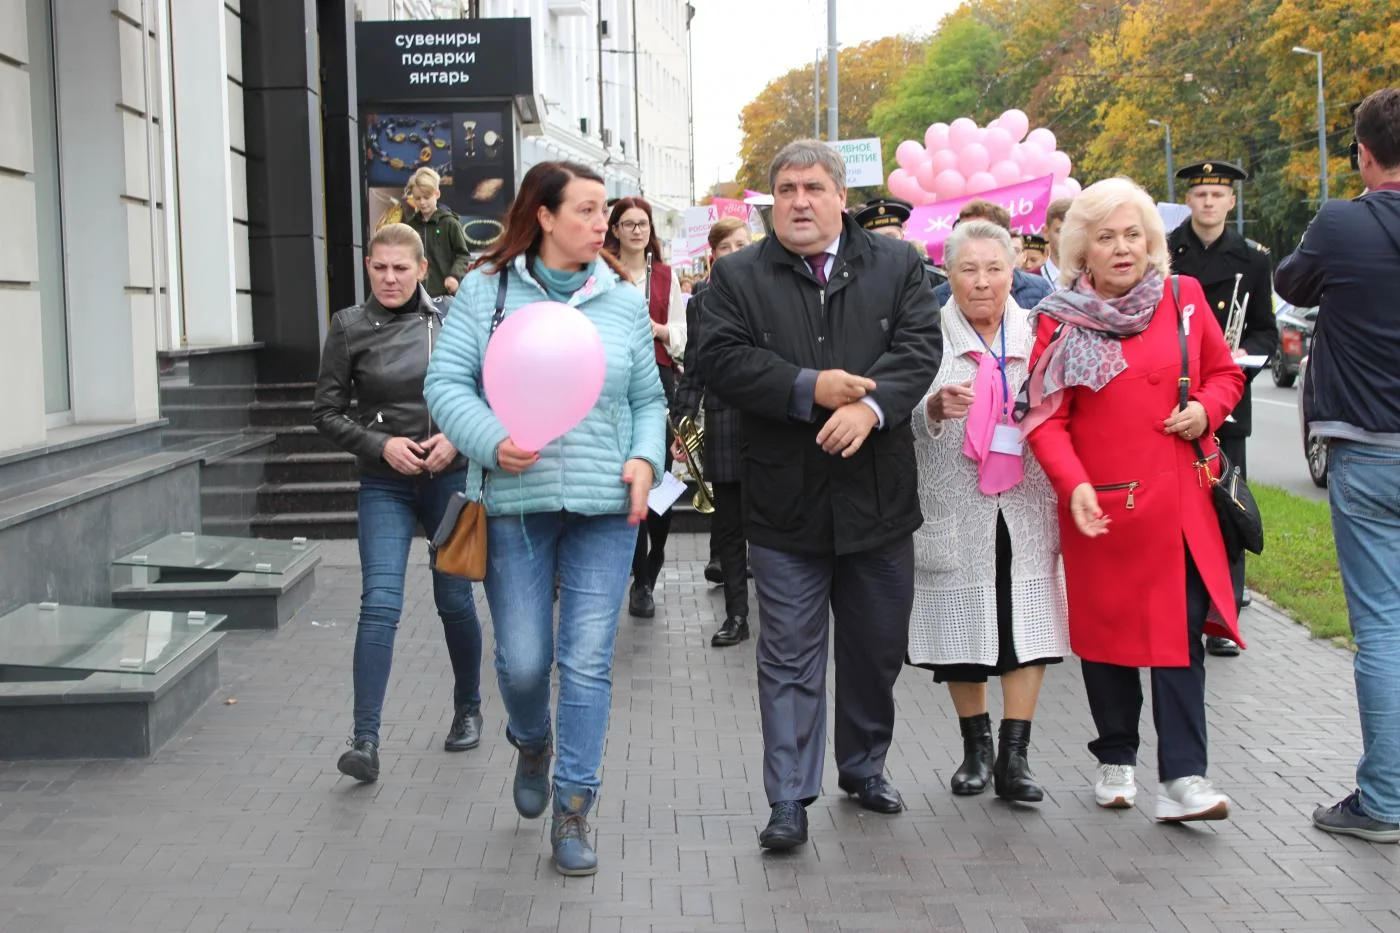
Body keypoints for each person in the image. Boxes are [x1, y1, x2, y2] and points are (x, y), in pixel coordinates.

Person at [423, 161, 667, 876]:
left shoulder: (622, 299)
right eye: (587, 210)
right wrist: (490, 439)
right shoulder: (487, 289)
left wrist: (645, 459)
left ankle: (574, 807)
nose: (602, 223)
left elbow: (648, 399)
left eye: (605, 211)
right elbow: (446, 382)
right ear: (545, 216)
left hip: (604, 509)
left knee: (586, 662)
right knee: (523, 660)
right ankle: (532, 741)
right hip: (515, 504)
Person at [701, 140, 942, 850]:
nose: (799, 201)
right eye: (786, 189)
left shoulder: (897, 264)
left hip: (878, 500)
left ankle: (863, 764)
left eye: (812, 187)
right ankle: (788, 797)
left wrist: (869, 408)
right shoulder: (737, 274)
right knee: (787, 657)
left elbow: (919, 349)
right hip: (784, 504)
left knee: (875, 649)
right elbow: (719, 359)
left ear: (842, 196)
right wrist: (810, 388)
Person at [1018, 177, 1245, 823]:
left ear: (1151, 242)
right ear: (1080, 250)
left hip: (1181, 505)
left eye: (1133, 235)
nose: (1122, 248)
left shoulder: (1183, 297)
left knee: (1181, 637)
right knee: (1107, 636)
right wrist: (1073, 485)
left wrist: (1206, 409)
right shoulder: (1060, 318)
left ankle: (1184, 777)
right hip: (1103, 506)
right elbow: (1044, 418)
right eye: (1106, 237)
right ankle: (1116, 755)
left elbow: (1225, 372)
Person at [312, 222, 484, 784]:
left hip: (447, 476)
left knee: (453, 597)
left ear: (422, 270)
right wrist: (380, 444)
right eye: (380, 267)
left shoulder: (452, 318)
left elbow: (485, 390)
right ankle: (364, 739)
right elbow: (326, 413)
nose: (389, 278)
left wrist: (456, 436)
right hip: (384, 481)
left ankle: (468, 706)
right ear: (368, 266)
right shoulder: (348, 327)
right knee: (380, 601)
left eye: (400, 268)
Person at [1275, 87, 1400, 844]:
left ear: (1363, 154)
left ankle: (1384, 799)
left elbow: (1291, 283)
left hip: (1368, 447)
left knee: (1382, 626)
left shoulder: (1342, 222)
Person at [908, 220, 1069, 803]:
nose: (982, 282)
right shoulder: (924, 335)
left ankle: (1015, 757)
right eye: (968, 269)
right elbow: (894, 415)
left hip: (1026, 505)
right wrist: (930, 408)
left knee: (1027, 627)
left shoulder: (1041, 333)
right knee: (963, 630)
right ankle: (975, 750)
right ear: (948, 274)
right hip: (954, 505)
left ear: (1014, 270)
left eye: (994, 268)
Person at [1168, 160, 1277, 654]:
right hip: (1173, 400)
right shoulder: (1166, 250)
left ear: (1232, 202)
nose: (1208, 202)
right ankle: (1176, 609)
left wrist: (1238, 362)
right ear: (1188, 200)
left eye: (1217, 194)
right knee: (1173, 508)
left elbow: (1265, 331)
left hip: (1226, 404)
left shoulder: (1252, 258)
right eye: (1200, 194)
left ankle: (1224, 615)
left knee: (1226, 506)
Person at [603, 196, 687, 620]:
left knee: (662, 480)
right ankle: (640, 580)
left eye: (643, 224)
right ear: (615, 229)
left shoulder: (665, 276)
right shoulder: (602, 271)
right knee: (630, 475)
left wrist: (658, 329)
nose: (637, 231)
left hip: (659, 378)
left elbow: (683, 332)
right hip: (617, 382)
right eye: (629, 224)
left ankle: (654, 560)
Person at [673, 216, 753, 647]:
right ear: (713, 255)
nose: (737, 253)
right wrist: (682, 423)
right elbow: (695, 366)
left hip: (769, 419)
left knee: (774, 521)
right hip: (723, 420)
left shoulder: (771, 289)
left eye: (743, 244)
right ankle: (737, 615)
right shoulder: (700, 300)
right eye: (728, 247)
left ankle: (781, 613)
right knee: (728, 525)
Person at [934, 200, 1052, 310]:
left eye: (981, 232)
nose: (970, 238)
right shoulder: (937, 298)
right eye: (962, 231)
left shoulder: (1039, 289)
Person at [400, 167, 472, 298]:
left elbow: (463, 255)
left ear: (437, 194)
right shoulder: (410, 227)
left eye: (426, 197)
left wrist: (454, 276)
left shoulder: (450, 223)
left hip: (445, 295)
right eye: (417, 198)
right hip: (417, 295)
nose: (422, 202)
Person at [1039, 197, 1074, 289]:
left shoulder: (1094, 278)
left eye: (1072, 231)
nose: (1066, 238)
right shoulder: (1027, 281)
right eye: (1060, 231)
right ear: (1046, 232)